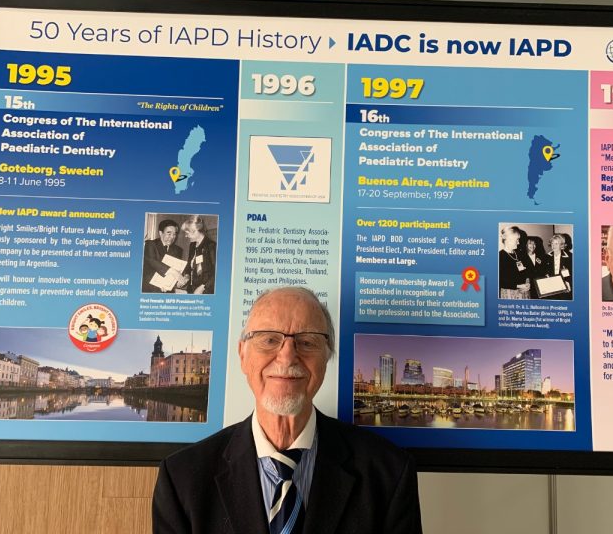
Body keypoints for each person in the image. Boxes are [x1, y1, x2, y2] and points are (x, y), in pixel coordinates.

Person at [152, 287, 422, 534]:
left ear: (326, 357)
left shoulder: (389, 473)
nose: (287, 356)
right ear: (242, 355)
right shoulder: (182, 478)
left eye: (307, 342)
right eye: (269, 340)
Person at [142, 219, 184, 293]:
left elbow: (178, 268)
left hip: (168, 290)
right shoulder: (150, 244)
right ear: (160, 233)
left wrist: (179, 282)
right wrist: (173, 272)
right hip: (150, 290)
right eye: (169, 233)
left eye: (174, 234)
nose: (172, 237)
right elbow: (153, 262)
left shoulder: (178, 250)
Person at [181, 215, 216, 294]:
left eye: (187, 233)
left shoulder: (211, 246)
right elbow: (190, 265)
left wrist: (203, 287)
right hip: (192, 288)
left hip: (206, 290)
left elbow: (216, 272)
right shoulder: (192, 245)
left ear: (195, 231)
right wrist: (186, 275)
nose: (186, 236)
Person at [498, 225, 531, 299]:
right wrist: (518, 286)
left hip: (525, 292)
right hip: (510, 294)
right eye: (516, 240)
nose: (518, 243)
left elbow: (527, 271)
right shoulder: (500, 256)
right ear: (508, 240)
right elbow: (500, 280)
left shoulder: (520, 254)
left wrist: (528, 283)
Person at [546, 233, 573, 299]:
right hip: (550, 287)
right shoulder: (546, 256)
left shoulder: (570, 257)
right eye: (552, 243)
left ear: (561, 245)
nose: (553, 246)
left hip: (564, 287)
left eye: (556, 244)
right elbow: (544, 271)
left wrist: (568, 283)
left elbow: (573, 273)